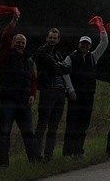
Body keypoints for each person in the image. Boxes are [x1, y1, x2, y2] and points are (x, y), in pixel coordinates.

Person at [0, 12, 40, 167]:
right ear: (13, 42)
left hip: (24, 103)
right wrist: (14, 21)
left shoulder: (29, 61)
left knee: (29, 133)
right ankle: (3, 165)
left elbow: (33, 80)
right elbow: (5, 36)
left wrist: (33, 95)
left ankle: (35, 162)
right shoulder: (6, 55)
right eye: (18, 41)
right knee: (5, 133)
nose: (20, 44)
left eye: (23, 42)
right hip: (7, 100)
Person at [62, 20, 108, 156]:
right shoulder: (70, 57)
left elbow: (104, 43)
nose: (85, 46)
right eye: (83, 43)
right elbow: (65, 73)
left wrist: (101, 27)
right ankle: (67, 152)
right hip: (75, 95)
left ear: (90, 46)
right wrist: (70, 90)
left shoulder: (93, 57)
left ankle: (78, 151)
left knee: (83, 124)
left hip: (88, 95)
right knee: (72, 123)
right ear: (79, 44)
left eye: (87, 44)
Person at [33, 27, 71, 162]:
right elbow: (55, 69)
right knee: (42, 123)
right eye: (50, 37)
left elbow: (67, 69)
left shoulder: (57, 54)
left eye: (55, 38)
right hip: (47, 90)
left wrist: (58, 66)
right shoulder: (42, 51)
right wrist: (59, 67)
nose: (52, 40)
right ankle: (36, 154)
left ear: (58, 40)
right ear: (46, 38)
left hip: (60, 92)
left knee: (54, 126)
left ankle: (48, 155)